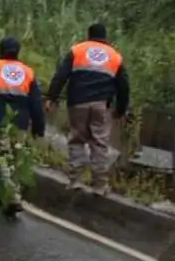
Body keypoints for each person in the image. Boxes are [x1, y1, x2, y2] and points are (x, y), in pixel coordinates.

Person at [45, 23, 130, 192]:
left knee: (77, 139)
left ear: (88, 35)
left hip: (78, 103)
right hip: (101, 105)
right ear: (105, 38)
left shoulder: (77, 50)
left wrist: (51, 98)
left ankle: (75, 180)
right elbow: (124, 86)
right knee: (99, 143)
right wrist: (120, 109)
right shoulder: (115, 56)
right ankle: (99, 185)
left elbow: (61, 76)